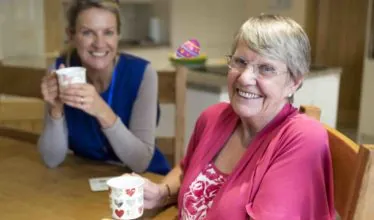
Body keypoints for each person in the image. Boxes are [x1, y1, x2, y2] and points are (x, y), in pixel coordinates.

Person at [135, 14, 335, 219]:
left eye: (266, 68)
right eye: (240, 61)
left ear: (294, 82)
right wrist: (162, 193)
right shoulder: (213, 117)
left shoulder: (303, 138)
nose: (245, 77)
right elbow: (187, 170)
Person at [38, 0, 170, 175]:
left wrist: (102, 111)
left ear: (118, 35)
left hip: (145, 181)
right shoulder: (62, 71)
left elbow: (141, 162)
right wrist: (56, 110)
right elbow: (51, 159)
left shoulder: (142, 74)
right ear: (71, 35)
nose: (99, 43)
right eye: (87, 33)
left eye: (108, 32)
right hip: (88, 179)